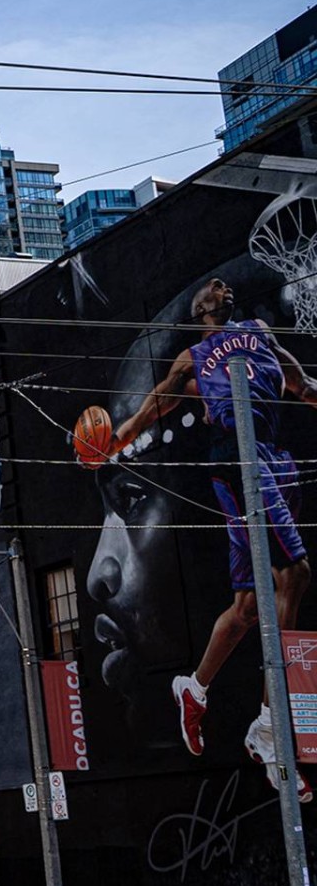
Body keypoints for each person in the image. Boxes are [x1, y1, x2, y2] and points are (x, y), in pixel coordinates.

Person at [105, 276, 316, 801]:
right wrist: (112, 442)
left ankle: (194, 687)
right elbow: (149, 410)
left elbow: (303, 385)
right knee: (294, 574)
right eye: (210, 287)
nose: (220, 286)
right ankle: (271, 725)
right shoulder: (192, 359)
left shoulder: (259, 332)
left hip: (272, 457)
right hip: (236, 456)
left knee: (248, 605)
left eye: (223, 286)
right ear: (200, 308)